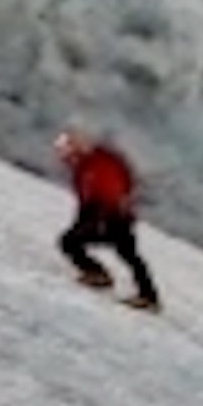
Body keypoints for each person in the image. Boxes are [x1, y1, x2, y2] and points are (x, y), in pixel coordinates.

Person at [55, 129, 159, 312]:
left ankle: (99, 275)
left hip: (112, 217)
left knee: (69, 242)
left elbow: (106, 195)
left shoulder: (96, 166)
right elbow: (90, 199)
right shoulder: (88, 166)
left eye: (67, 151)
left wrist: (97, 221)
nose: (64, 157)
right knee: (129, 254)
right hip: (118, 217)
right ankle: (148, 296)